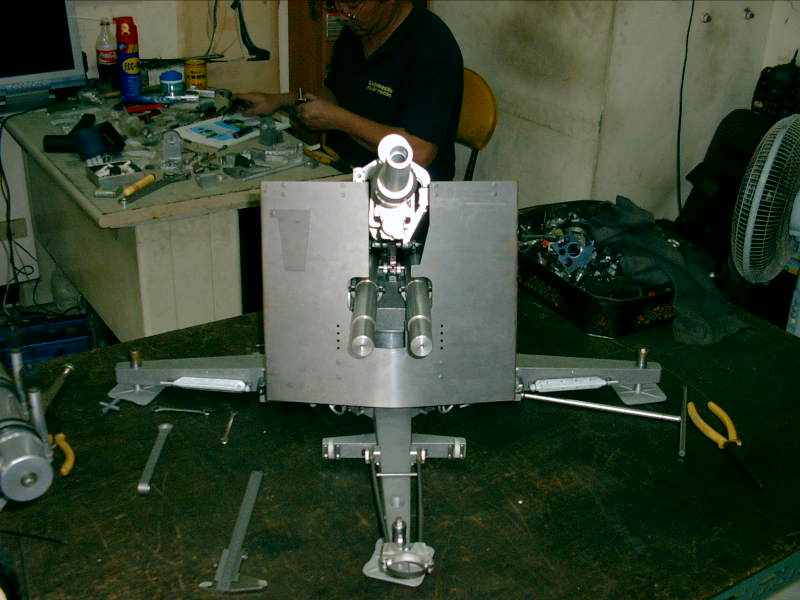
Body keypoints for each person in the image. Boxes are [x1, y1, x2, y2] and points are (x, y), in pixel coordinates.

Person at [235, 0, 463, 181]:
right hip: (344, 170)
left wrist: (338, 120)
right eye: (336, 4)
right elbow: (334, 93)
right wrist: (279, 100)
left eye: (353, 5)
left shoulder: (431, 45)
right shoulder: (357, 31)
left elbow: (419, 152)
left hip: (402, 191)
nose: (343, 15)